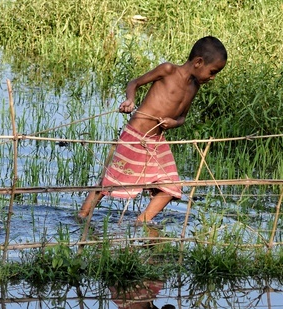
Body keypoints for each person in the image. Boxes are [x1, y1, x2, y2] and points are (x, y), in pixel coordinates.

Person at [77, 36, 227, 223]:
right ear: (198, 62)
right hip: (135, 136)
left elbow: (183, 117)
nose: (212, 78)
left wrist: (174, 122)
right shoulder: (168, 70)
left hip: (156, 141)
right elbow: (134, 83)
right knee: (109, 182)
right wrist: (130, 100)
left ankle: (142, 222)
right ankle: (82, 215)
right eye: (212, 72)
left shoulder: (194, 86)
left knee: (171, 186)